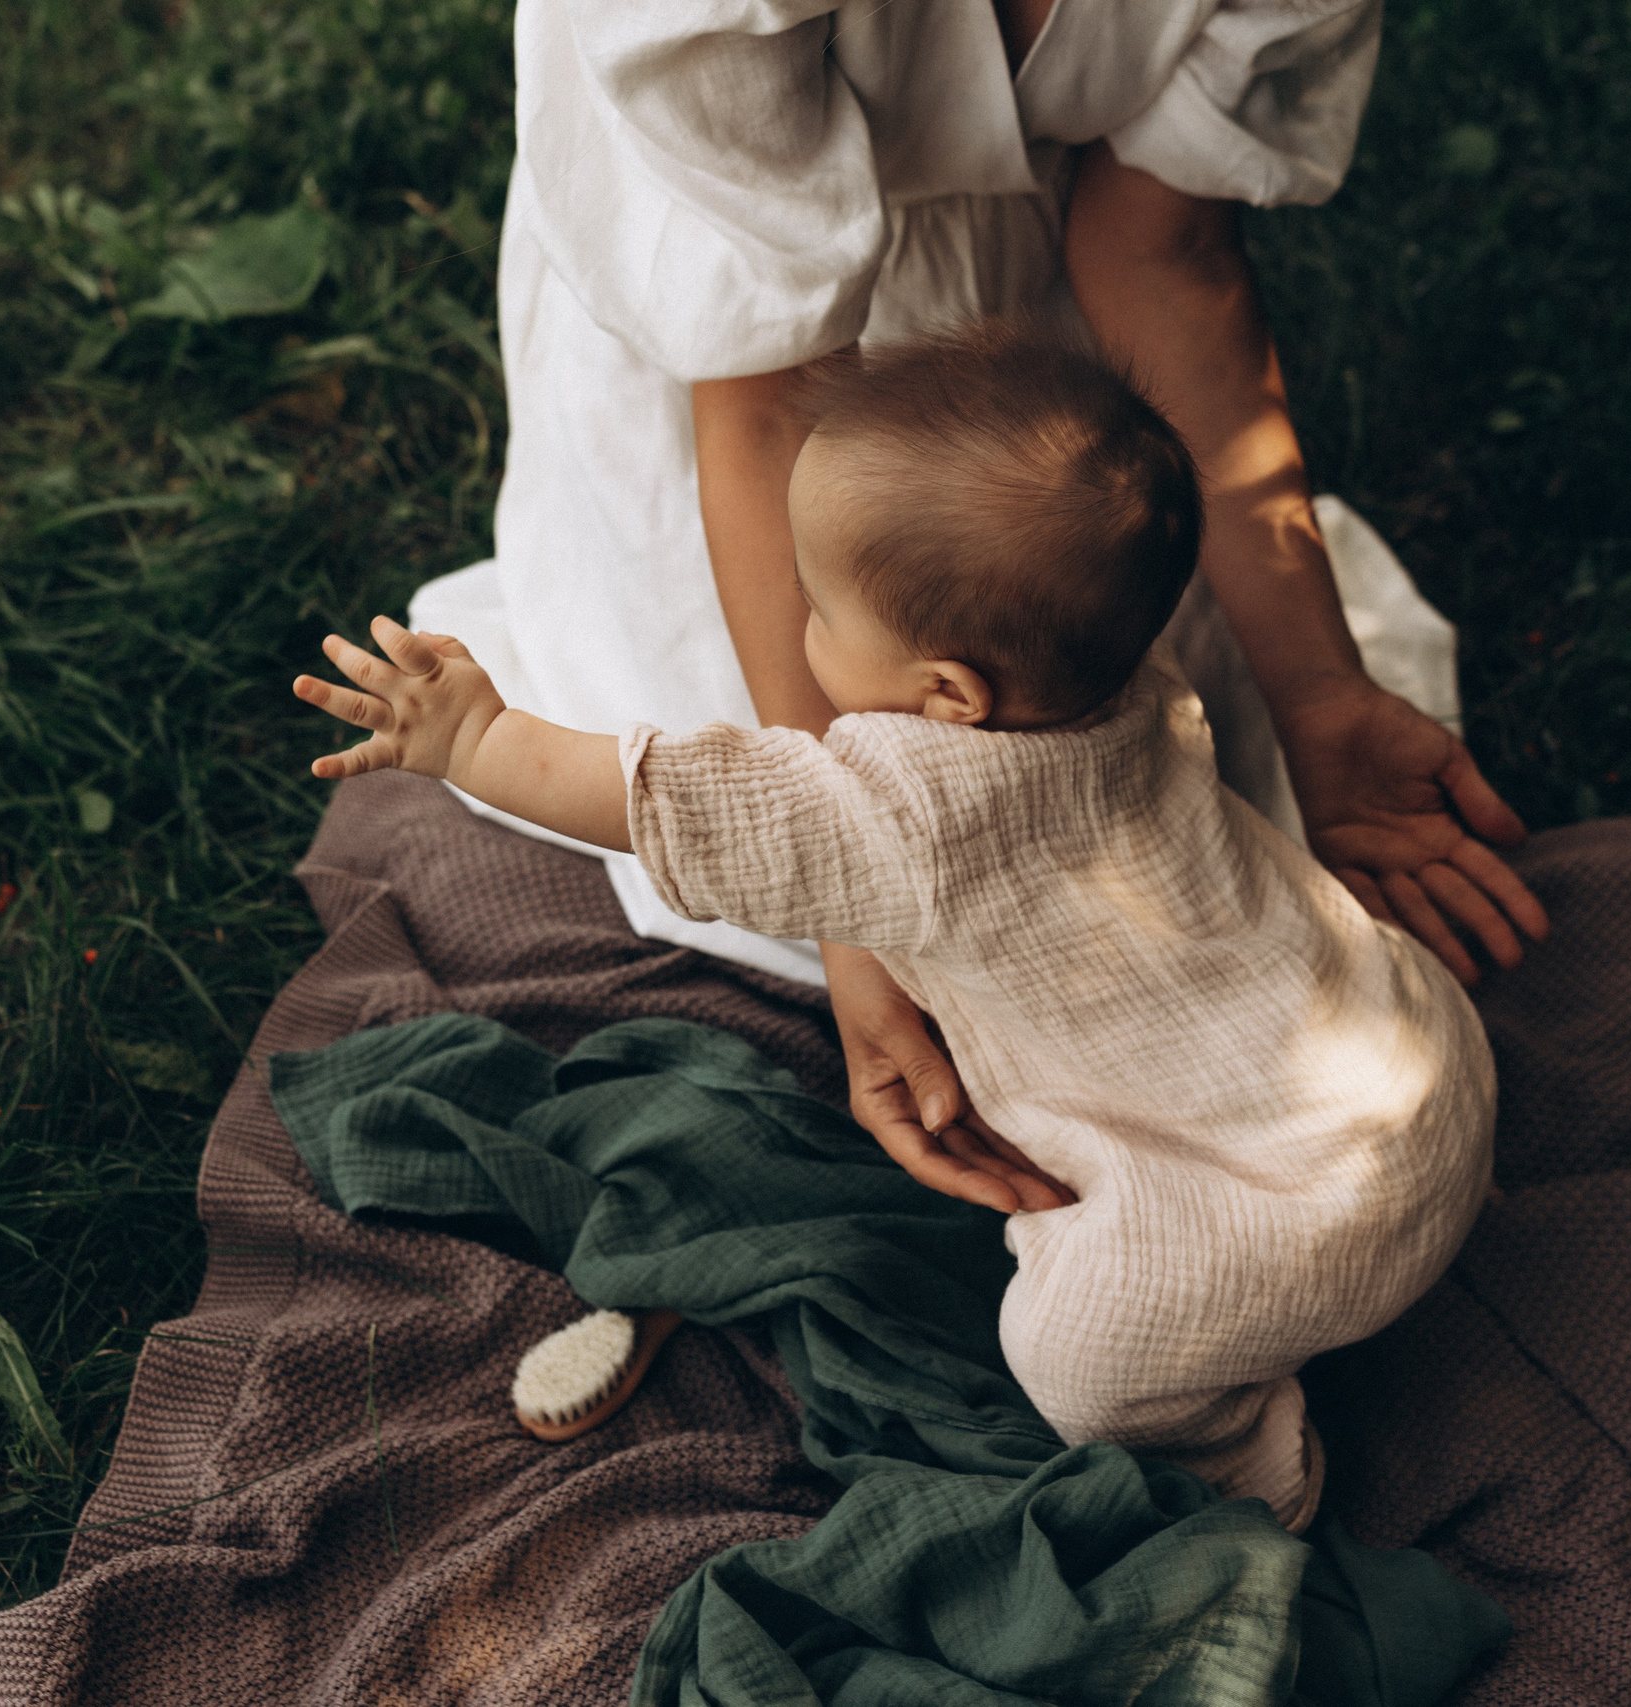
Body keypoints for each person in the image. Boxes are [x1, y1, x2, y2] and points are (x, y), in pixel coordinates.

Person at [292, 324, 1496, 1529]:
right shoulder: (1132, 677)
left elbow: (662, 799)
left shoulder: (906, 814)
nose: (796, 626)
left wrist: (475, 741)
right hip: (1426, 1074)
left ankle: (1242, 1464)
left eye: (815, 604)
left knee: (1074, 1358)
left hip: (1282, 1220)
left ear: (947, 697)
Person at [405, 0, 1545, 1216]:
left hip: (1031, 394)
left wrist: (1316, 687)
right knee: (767, 855)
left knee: (1105, 762)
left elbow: (1162, 253)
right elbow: (757, 392)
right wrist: (838, 867)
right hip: (748, 393)